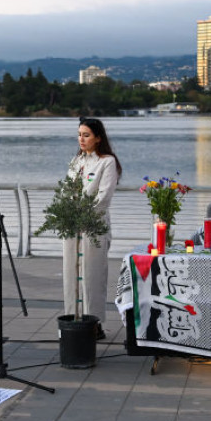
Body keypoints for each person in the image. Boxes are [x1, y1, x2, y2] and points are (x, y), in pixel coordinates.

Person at [61, 117, 121, 339]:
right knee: (71, 273)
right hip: (71, 226)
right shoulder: (76, 161)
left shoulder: (107, 162)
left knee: (92, 275)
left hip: (93, 226)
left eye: (86, 135)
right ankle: (73, 319)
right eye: (79, 134)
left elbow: (103, 198)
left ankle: (94, 323)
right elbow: (66, 191)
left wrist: (83, 214)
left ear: (98, 138)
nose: (81, 139)